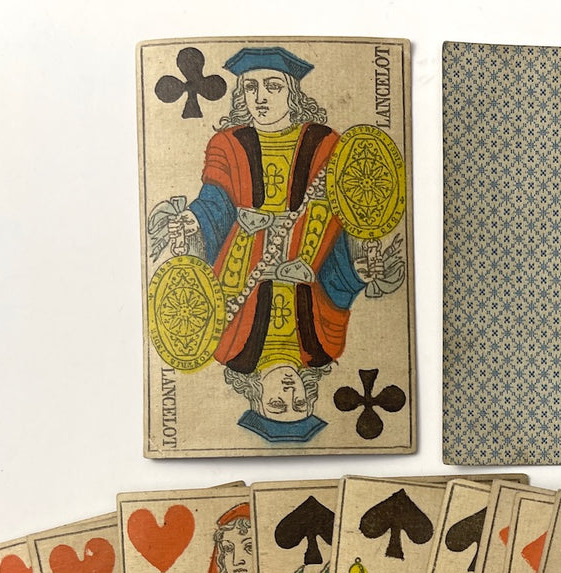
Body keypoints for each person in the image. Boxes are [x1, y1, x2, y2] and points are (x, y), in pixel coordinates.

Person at [151, 46, 404, 443]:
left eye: (272, 86)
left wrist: (193, 222)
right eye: (251, 88)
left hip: (248, 270)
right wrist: (358, 272)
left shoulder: (226, 346)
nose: (261, 97)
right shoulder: (325, 347)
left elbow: (344, 213)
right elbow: (216, 203)